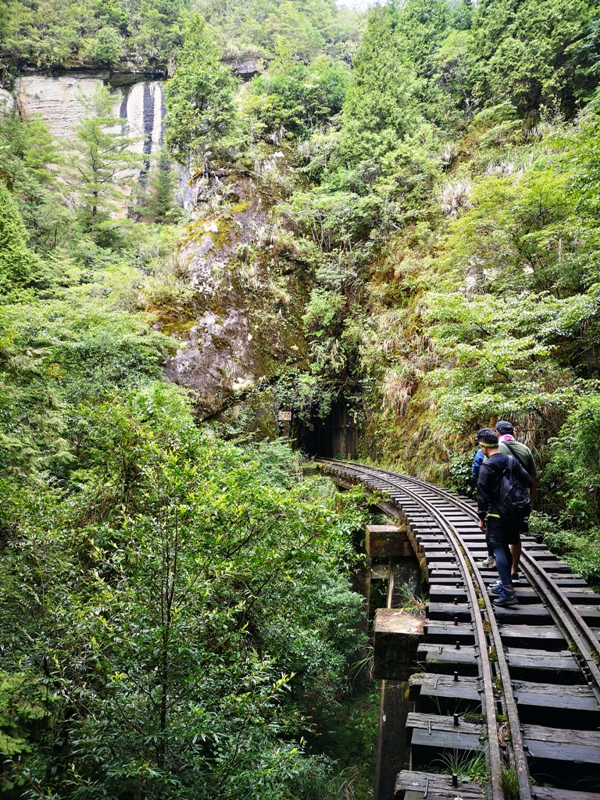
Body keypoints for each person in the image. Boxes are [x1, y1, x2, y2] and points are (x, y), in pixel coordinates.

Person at [476, 428, 532, 607]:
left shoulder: (486, 466)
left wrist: (481, 517)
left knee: (498, 548)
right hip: (514, 512)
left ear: (484, 447)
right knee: (507, 546)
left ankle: (508, 592)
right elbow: (528, 481)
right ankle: (504, 583)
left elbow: (482, 494)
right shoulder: (511, 460)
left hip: (496, 513)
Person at [496, 420, 537, 582]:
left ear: (497, 433)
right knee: (515, 535)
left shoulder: (495, 449)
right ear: (513, 433)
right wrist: (531, 501)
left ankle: (503, 573)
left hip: (501, 500)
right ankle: (514, 572)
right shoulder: (525, 449)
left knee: (500, 535)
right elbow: (533, 478)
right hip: (520, 501)